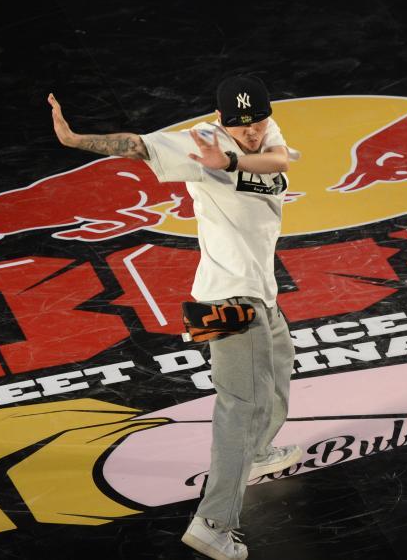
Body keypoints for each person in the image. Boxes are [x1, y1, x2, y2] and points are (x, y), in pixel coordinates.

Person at [48, 75, 302, 560]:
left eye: (256, 122)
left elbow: (277, 159)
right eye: (238, 125)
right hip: (227, 301)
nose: (249, 132)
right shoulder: (202, 142)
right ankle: (213, 524)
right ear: (221, 119)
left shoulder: (266, 136)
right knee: (238, 407)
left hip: (260, 295)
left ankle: (258, 453)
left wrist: (233, 159)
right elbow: (139, 147)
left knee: (279, 369)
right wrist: (76, 139)